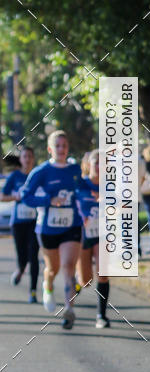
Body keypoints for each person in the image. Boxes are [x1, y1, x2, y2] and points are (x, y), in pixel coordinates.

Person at [21, 130, 82, 330]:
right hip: (47, 228)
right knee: (53, 269)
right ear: (50, 149)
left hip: (71, 226)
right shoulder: (41, 172)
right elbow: (25, 196)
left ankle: (69, 309)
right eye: (57, 146)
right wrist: (49, 201)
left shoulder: (75, 169)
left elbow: (84, 188)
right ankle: (47, 286)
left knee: (68, 267)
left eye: (64, 145)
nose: (61, 149)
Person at [75, 149, 111, 328]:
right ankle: (77, 280)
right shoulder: (80, 184)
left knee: (103, 274)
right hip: (83, 234)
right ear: (88, 164)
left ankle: (101, 316)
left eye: (103, 162)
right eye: (96, 162)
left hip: (103, 233)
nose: (99, 165)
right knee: (86, 281)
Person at [1, 146, 40, 302]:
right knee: (22, 255)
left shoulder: (38, 174)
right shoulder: (15, 176)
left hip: (34, 221)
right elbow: (2, 196)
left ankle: (33, 291)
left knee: (33, 255)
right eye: (25, 156)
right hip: (18, 222)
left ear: (33, 159)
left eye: (30, 156)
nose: (28, 159)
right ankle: (20, 269)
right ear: (21, 159)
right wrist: (15, 196)